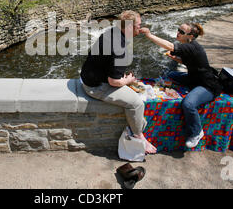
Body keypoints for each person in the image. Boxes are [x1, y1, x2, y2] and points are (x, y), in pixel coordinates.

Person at [80, 10, 157, 154]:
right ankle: (138, 136)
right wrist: (128, 80)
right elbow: (114, 81)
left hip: (87, 76)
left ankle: (137, 126)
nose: (140, 28)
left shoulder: (111, 32)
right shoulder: (120, 48)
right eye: (138, 26)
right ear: (128, 27)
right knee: (137, 103)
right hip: (95, 87)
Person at [140, 23, 222, 149]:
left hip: (207, 85)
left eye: (181, 32)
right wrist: (176, 59)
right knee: (171, 75)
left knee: (188, 104)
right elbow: (189, 61)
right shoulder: (188, 47)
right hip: (193, 79)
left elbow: (170, 46)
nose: (178, 33)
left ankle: (197, 132)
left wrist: (149, 35)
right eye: (178, 30)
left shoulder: (191, 47)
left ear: (190, 36)